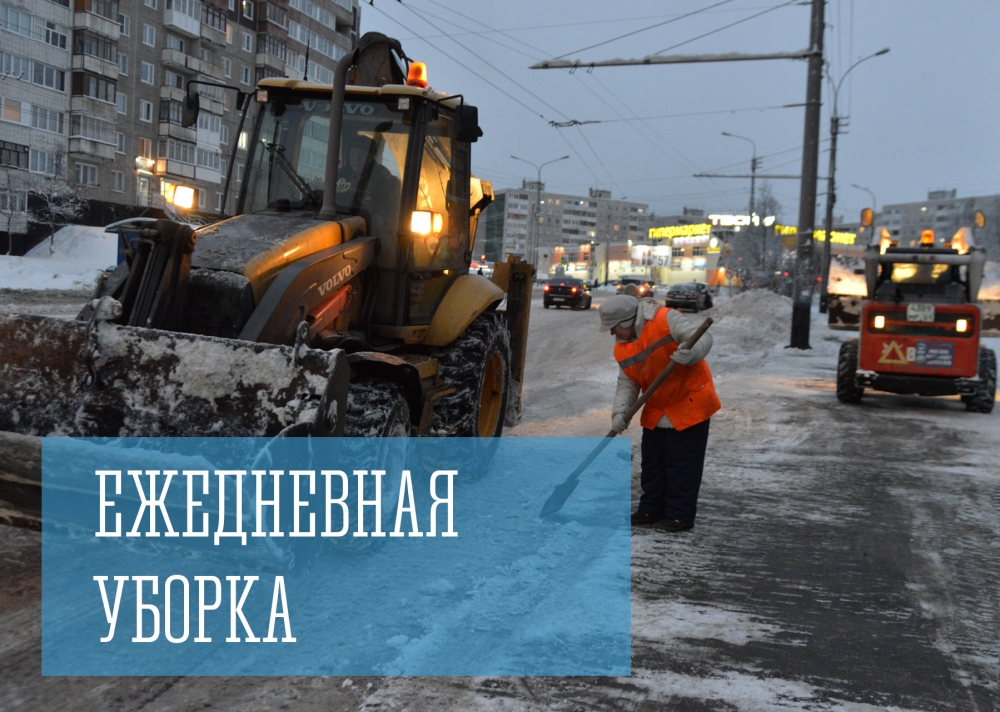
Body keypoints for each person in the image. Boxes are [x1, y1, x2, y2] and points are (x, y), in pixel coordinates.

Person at [598, 294, 720, 532]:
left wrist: (692, 353)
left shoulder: (666, 318)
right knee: (653, 463)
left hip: (689, 401)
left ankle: (679, 515)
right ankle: (650, 510)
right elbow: (627, 383)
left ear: (627, 321)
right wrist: (620, 413)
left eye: (614, 327)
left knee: (682, 465)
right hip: (657, 406)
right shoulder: (623, 347)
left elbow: (703, 337)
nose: (613, 333)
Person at [337, 133, 400, 236]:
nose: (356, 160)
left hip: (369, 230)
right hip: (340, 223)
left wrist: (378, 217)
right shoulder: (341, 175)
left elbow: (389, 211)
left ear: (370, 158)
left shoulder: (382, 178)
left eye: (361, 155)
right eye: (353, 154)